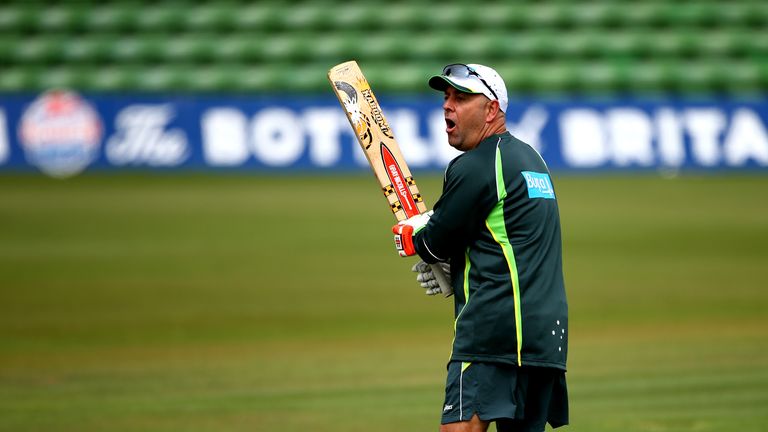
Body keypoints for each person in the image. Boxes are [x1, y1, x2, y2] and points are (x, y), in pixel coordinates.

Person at [391, 64, 569, 432]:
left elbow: (431, 241)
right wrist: (450, 261)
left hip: (492, 334)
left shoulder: (475, 164)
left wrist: (413, 235)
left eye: (461, 97)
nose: (448, 106)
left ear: (491, 110)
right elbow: (501, 237)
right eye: (446, 97)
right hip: (545, 337)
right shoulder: (533, 160)